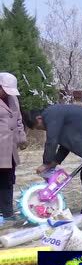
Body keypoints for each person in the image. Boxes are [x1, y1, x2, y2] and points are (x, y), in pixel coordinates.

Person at [23, 105, 82, 230]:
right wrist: (55, 162)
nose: (44, 130)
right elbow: (65, 144)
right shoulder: (57, 116)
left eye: (40, 128)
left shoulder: (50, 114)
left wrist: (46, 163)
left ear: (39, 118)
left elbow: (52, 141)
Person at [0, 72, 27, 222]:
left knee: (9, 179)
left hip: (10, 147)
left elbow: (18, 120)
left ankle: (7, 212)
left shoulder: (13, 99)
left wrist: (21, 137)